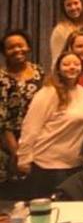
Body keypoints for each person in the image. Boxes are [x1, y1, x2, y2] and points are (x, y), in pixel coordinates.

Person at [16, 52, 83, 200]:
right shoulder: (48, 92)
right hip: (48, 164)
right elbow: (30, 127)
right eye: (66, 64)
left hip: (75, 164)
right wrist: (24, 158)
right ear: (58, 68)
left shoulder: (81, 91)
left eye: (76, 64)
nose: (72, 67)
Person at [0, 30, 45, 199]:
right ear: (4, 52)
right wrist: (17, 153)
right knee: (13, 198)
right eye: (11, 47)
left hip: (38, 141)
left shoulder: (39, 73)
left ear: (29, 47)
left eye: (21, 45)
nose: (17, 50)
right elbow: (3, 121)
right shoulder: (1, 78)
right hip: (9, 144)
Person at [49, 0, 83, 67]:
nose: (73, 7)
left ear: (82, 4)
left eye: (76, 3)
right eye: (69, 5)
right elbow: (56, 61)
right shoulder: (60, 31)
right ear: (64, 8)